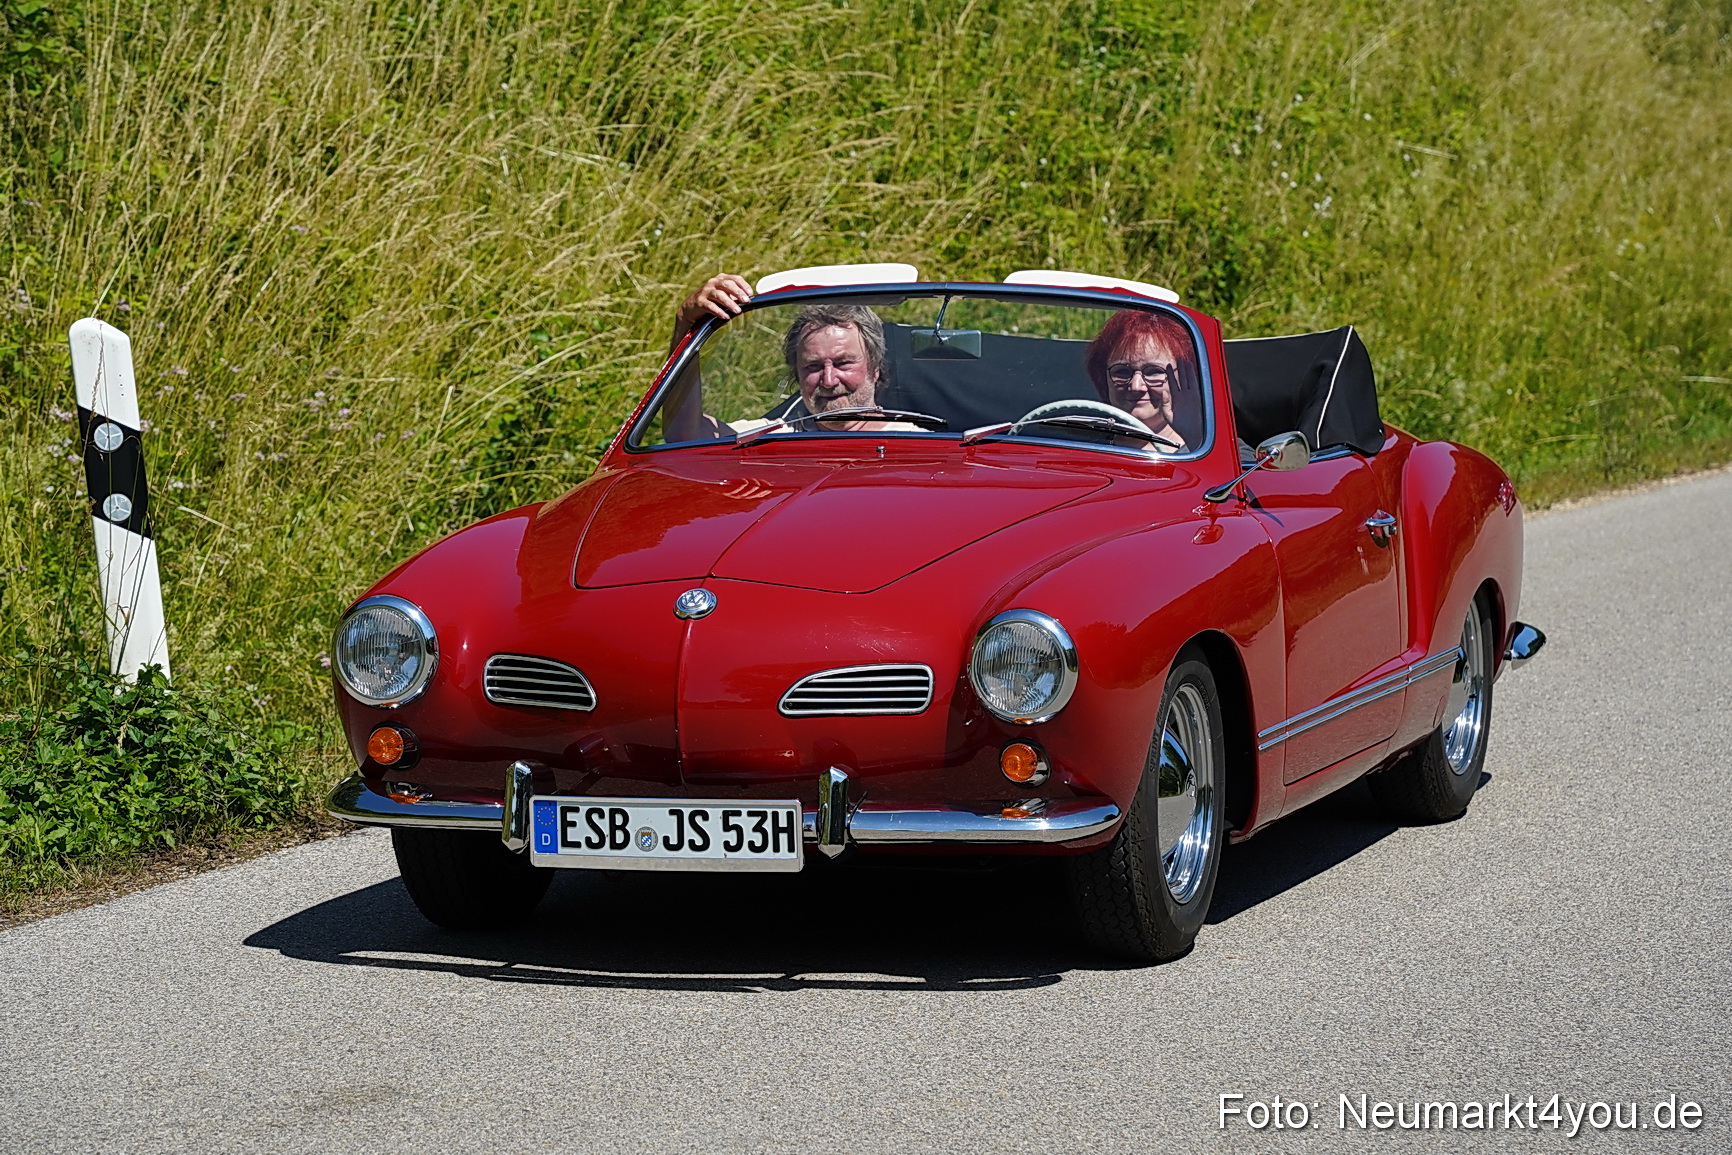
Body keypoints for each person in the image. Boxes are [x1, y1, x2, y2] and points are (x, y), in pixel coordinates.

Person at [667, 273, 918, 437]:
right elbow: (684, 435)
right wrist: (685, 322)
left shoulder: (918, 443)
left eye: (843, 363)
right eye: (813, 367)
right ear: (796, 375)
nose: (829, 380)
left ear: (875, 368)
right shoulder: (774, 438)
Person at [1082, 310, 1199, 453]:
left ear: (1186, 376)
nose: (1136, 386)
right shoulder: (1079, 443)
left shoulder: (1221, 453)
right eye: (1122, 372)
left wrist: (1195, 438)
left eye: (1154, 372)